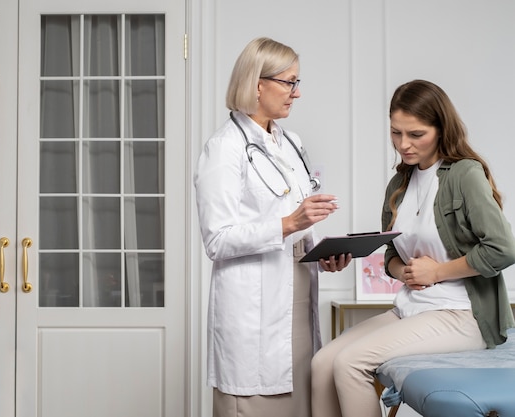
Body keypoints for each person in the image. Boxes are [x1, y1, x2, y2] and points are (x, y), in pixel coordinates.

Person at [310, 79, 515, 417]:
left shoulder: (464, 174)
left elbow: (503, 248)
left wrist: (436, 272)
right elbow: (393, 255)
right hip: (413, 308)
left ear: (440, 128)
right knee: (322, 364)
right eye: (396, 133)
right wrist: (402, 272)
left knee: (350, 363)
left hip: (462, 315)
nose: (403, 144)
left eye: (416, 134)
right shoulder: (400, 183)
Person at [194, 37, 351, 417]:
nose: (296, 93)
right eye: (288, 82)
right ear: (257, 83)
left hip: (296, 295)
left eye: (297, 82)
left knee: (299, 402)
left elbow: (295, 221)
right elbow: (217, 239)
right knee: (255, 403)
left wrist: (323, 254)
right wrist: (288, 223)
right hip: (254, 312)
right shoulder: (225, 148)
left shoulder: (290, 142)